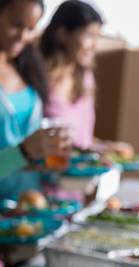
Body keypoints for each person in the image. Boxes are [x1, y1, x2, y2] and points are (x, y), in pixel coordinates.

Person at [40, 0, 132, 157]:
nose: (94, 46)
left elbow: (82, 140)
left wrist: (105, 147)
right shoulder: (39, 77)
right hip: (46, 173)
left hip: (82, 175)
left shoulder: (85, 78)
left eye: (98, 37)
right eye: (89, 35)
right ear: (62, 34)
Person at [0, 0, 70, 197]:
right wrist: (24, 152)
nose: (23, 36)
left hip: (30, 207)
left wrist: (55, 163)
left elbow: (33, 158)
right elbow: (24, 152)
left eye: (31, 29)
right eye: (16, 25)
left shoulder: (27, 68)